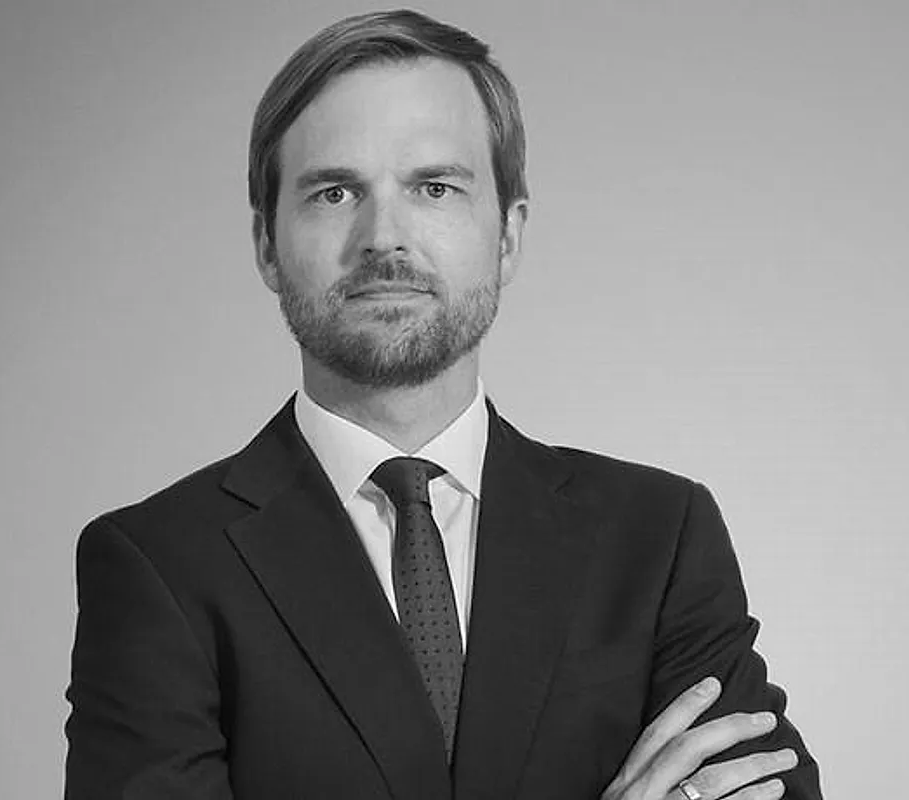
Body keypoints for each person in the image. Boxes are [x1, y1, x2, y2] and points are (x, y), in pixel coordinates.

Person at [64, 9, 822, 799]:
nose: (383, 236)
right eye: (334, 192)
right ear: (266, 245)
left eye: (434, 187)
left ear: (508, 235)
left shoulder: (658, 538)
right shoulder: (158, 565)